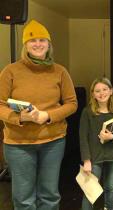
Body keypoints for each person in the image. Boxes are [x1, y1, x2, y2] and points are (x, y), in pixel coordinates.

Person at [0, 20, 77, 209]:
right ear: (25, 44)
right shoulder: (10, 71)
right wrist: (20, 118)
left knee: (49, 196)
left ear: (49, 44)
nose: (38, 44)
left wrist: (47, 116)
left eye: (43, 40)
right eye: (33, 40)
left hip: (53, 142)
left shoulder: (60, 71)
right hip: (18, 145)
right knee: (23, 198)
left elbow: (72, 104)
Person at [79, 78, 113, 210]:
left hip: (112, 154)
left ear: (111, 91)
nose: (101, 93)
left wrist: (112, 136)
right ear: (93, 94)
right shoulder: (87, 112)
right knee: (90, 189)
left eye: (105, 89)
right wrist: (86, 160)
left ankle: (110, 207)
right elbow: (83, 137)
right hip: (94, 156)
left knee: (110, 186)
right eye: (97, 91)